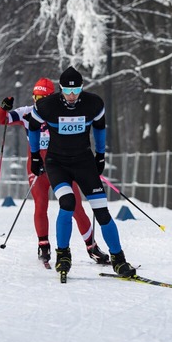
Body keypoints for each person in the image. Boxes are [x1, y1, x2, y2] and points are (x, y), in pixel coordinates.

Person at [26, 66, 136, 280]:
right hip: (57, 163)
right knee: (67, 204)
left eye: (76, 90)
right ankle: (63, 254)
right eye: (68, 91)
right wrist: (35, 156)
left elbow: (100, 128)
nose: (72, 96)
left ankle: (119, 260)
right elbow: (32, 128)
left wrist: (101, 155)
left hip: (84, 163)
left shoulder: (93, 103)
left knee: (102, 212)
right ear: (60, 89)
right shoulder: (46, 106)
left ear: (82, 88)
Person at [0, 77, 110, 265]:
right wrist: (3, 107)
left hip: (63, 165)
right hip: (38, 168)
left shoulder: (59, 111)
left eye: (44, 97)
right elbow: (1, 120)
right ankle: (44, 245)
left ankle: (92, 247)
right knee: (41, 204)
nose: (39, 102)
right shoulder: (27, 113)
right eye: (36, 97)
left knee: (76, 207)